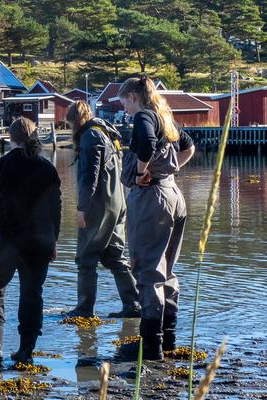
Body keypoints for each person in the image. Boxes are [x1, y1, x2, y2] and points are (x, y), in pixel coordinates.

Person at [116, 77, 195, 360]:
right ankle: (168, 339)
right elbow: (189, 148)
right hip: (173, 195)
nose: (122, 106)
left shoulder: (144, 116)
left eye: (123, 100)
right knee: (168, 270)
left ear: (134, 96)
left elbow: (147, 144)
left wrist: (141, 172)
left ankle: (151, 346)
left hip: (152, 200)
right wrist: (165, 174)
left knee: (148, 271)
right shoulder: (164, 115)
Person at [0, 117, 62, 365]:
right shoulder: (47, 168)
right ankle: (26, 351)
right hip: (39, 243)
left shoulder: (0, 166)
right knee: (32, 294)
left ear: (10, 137)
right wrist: (54, 241)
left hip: (8, 239)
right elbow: (55, 210)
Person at [63, 101, 141, 319]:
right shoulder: (107, 134)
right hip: (118, 203)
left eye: (70, 124)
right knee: (115, 256)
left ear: (75, 121)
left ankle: (85, 309)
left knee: (86, 259)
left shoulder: (89, 137)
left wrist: (82, 209)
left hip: (99, 206)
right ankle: (133, 305)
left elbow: (90, 175)